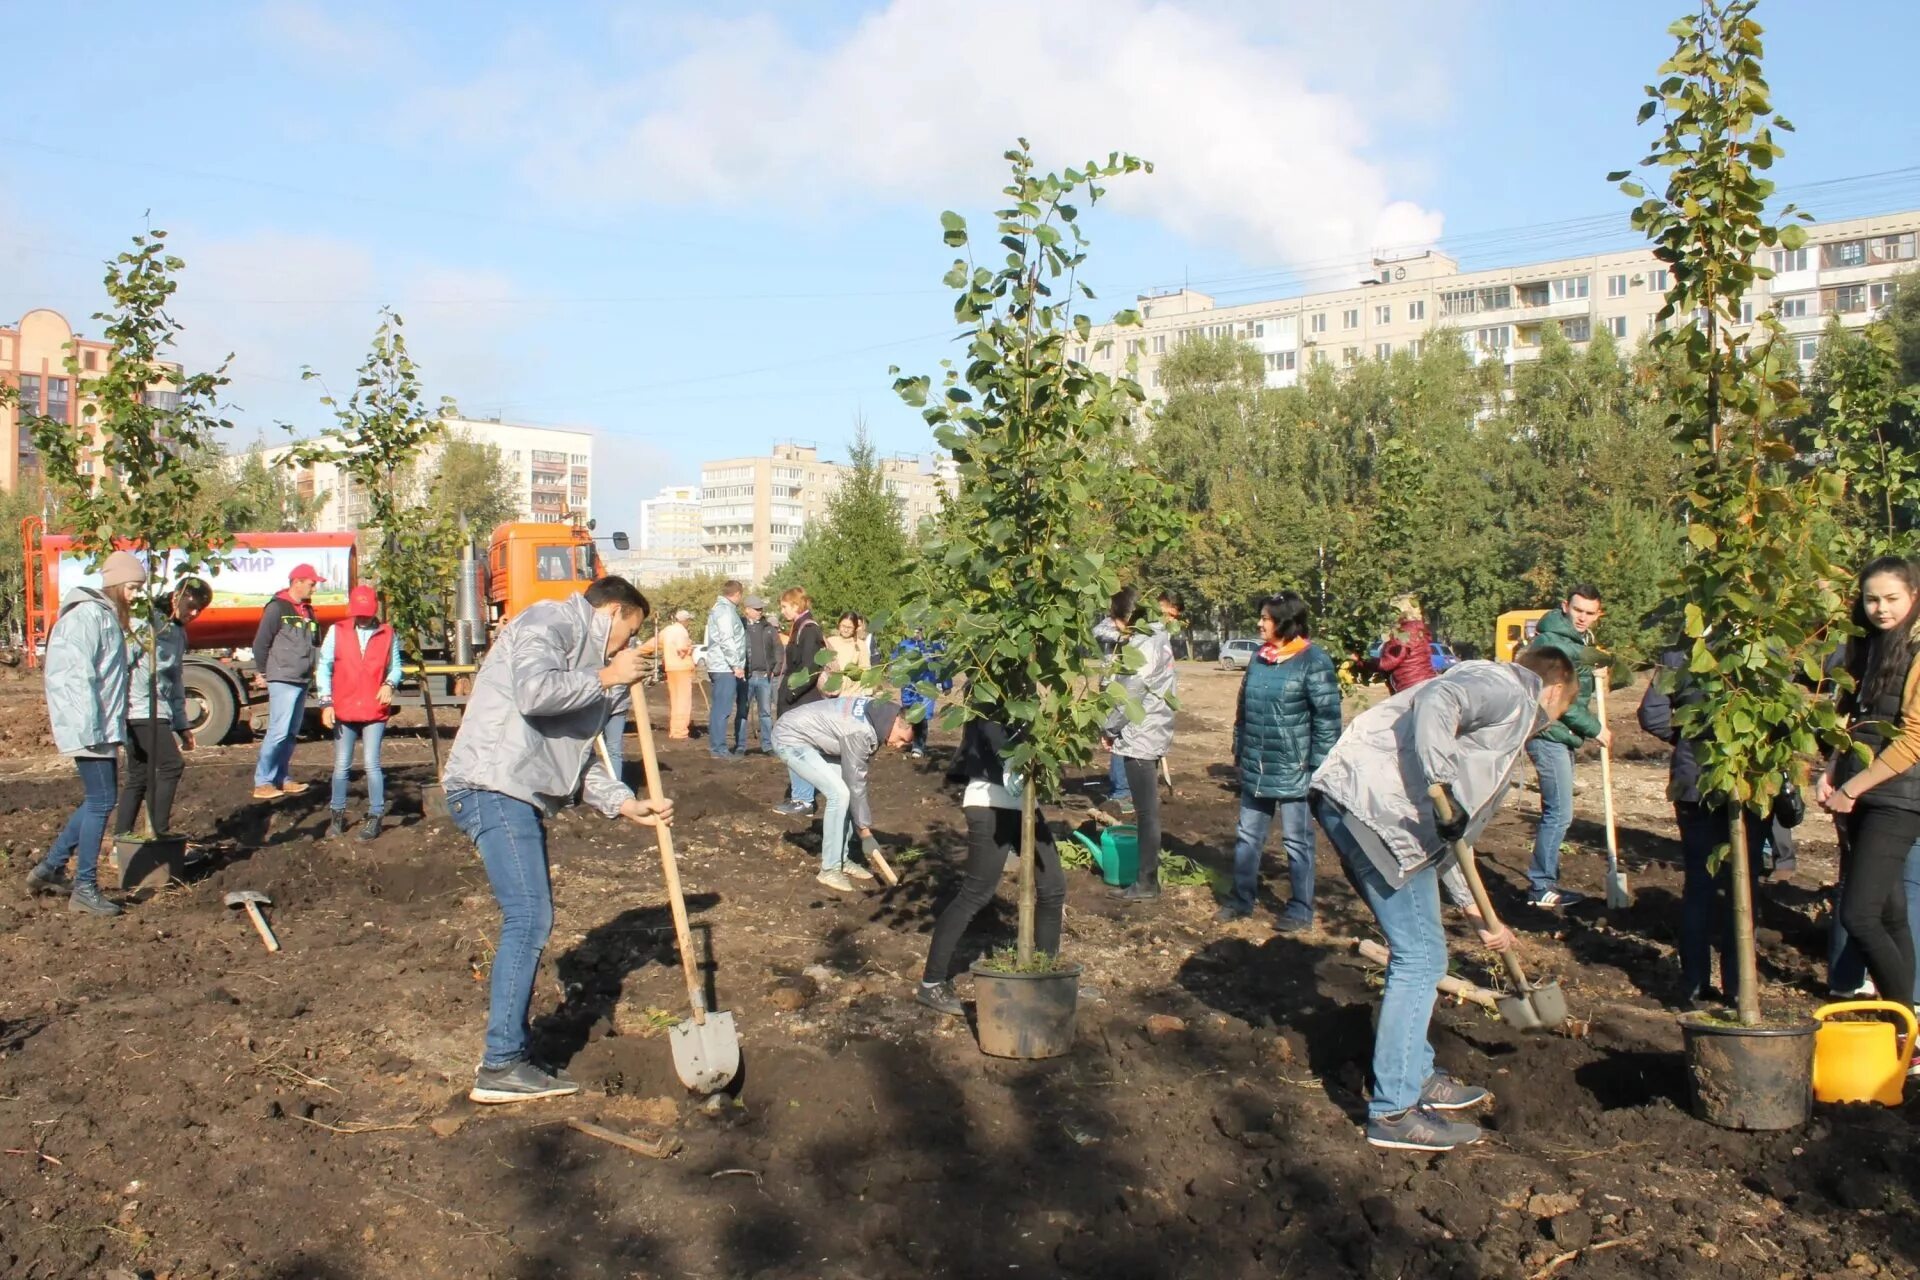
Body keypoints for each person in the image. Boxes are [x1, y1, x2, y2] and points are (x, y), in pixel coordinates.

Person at [1309, 649, 1575, 1151]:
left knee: (1426, 952)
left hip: (1377, 814)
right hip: (1375, 813)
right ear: (1556, 691)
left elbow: (1450, 840)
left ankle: (1418, 1074)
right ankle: (1392, 1112)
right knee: (1421, 958)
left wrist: (1481, 919)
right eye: (1560, 711)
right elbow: (1441, 695)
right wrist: (1440, 781)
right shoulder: (1508, 688)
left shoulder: (1501, 716)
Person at [442, 576, 674, 1104]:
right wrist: (606, 674)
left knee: (530, 914)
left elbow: (575, 752)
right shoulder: (549, 622)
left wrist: (623, 802)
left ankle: (509, 1056)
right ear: (612, 612)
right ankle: (500, 1064)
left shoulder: (586, 661)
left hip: (514, 788)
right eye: (628, 632)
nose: (625, 646)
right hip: (491, 783)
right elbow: (533, 692)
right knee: (528, 915)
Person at [1637, 642, 1768, 1006]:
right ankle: (1739, 988)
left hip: (1693, 783)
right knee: (1742, 886)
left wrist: (1688, 741)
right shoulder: (1765, 649)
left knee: (1699, 886)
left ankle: (1693, 984)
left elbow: (1653, 714)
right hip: (1748, 782)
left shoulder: (1677, 656)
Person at [1819, 556, 1920, 1014]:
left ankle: (1905, 1022)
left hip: (1898, 796)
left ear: (1913, 596)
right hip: (1862, 786)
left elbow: (1914, 739)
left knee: (1859, 914)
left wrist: (1854, 787)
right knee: (1890, 912)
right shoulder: (1868, 645)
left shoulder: (1918, 651)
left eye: (1891, 599)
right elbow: (1852, 716)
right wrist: (1830, 768)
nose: (1881, 608)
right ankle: (1909, 1020)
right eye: (1871, 598)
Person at [917, 717, 1065, 1015]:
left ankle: (1047, 975)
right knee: (977, 892)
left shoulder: (1028, 687)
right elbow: (989, 727)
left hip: (1025, 802)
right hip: (989, 801)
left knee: (1053, 886)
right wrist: (1015, 760)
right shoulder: (989, 680)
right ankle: (931, 984)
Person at [28, 550, 147, 916]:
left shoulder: (106, 616)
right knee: (102, 801)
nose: (136, 595)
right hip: (89, 725)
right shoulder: (86, 617)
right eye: (132, 587)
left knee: (99, 798)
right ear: (113, 584)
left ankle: (50, 868)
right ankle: (85, 888)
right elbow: (75, 677)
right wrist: (94, 727)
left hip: (99, 724)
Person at [1222, 592, 1342, 928]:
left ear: (1286, 621)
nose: (1260, 623)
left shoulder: (1313, 661)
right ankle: (1241, 899)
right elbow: (1243, 710)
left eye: (1266, 618)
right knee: (1247, 835)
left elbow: (1328, 720)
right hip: (1257, 766)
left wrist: (1317, 767)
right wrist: (1239, 750)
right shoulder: (1260, 659)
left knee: (1297, 841)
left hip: (1295, 770)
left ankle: (1301, 909)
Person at [1521, 585, 1610, 909]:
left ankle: (1545, 881)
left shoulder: (1579, 642)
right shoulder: (1550, 642)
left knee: (1559, 811)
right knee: (1559, 813)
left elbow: (1579, 684)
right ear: (1565, 606)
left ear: (1598, 614)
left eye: (1589, 612)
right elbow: (1556, 698)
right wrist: (1594, 727)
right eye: (1578, 610)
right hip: (1548, 733)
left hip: (1561, 735)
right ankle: (1541, 886)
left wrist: (1599, 668)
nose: (1583, 617)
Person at [770, 694, 915, 892]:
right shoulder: (860, 731)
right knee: (840, 794)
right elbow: (856, 783)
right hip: (791, 738)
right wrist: (865, 833)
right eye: (901, 740)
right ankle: (829, 870)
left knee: (845, 791)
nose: (898, 746)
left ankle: (841, 859)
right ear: (898, 722)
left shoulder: (879, 714)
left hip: (816, 737)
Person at [115, 577, 211, 843]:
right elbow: (120, 665)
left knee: (139, 775)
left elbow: (176, 679)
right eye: (191, 605)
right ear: (176, 596)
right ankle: (156, 833)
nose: (193, 613)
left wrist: (183, 724)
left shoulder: (179, 632)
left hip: (160, 709)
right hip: (139, 707)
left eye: (199, 610)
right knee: (171, 765)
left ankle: (121, 842)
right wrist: (114, 713)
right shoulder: (146, 623)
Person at [1102, 587, 1180, 903]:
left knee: (1146, 812)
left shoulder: (1145, 645)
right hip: (1151, 728)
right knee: (1147, 810)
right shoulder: (1157, 637)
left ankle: (1147, 883)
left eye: (1115, 617)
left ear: (1127, 618)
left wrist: (1108, 728)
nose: (1113, 623)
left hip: (1141, 734)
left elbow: (1129, 694)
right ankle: (1147, 880)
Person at [316, 584, 403, 841]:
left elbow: (396, 667)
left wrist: (389, 684)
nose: (362, 618)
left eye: (366, 613)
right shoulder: (337, 631)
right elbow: (324, 666)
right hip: (344, 708)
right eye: (358, 613)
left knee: (372, 764)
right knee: (341, 765)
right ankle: (337, 816)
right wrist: (326, 702)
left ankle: (375, 816)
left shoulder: (387, 633)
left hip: (374, 709)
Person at [252, 563, 326, 800]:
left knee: (291, 732)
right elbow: (260, 643)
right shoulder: (277, 609)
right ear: (297, 582)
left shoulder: (308, 610)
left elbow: (315, 642)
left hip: (302, 678)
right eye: (312, 584)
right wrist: (264, 672)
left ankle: (282, 778)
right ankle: (263, 781)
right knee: (279, 731)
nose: (314, 588)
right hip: (283, 677)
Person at [773, 588, 827, 816]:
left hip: (801, 700)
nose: (782, 610)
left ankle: (804, 800)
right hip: (797, 699)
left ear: (796, 606)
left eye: (785, 606)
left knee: (798, 747)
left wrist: (791, 693)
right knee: (794, 746)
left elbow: (810, 668)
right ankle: (800, 797)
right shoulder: (800, 627)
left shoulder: (809, 629)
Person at [703, 580, 748, 760]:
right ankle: (719, 749)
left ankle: (718, 747)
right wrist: (736, 665)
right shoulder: (725, 612)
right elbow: (727, 639)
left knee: (719, 709)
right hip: (724, 667)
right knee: (722, 709)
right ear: (737, 594)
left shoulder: (722, 609)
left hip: (722, 666)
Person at [639, 609, 696, 740]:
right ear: (685, 620)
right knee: (683, 702)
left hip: (670, 668)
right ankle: (680, 732)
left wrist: (637, 651)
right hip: (682, 669)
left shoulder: (667, 630)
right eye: (689, 620)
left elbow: (653, 643)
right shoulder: (682, 632)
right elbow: (682, 650)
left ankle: (675, 730)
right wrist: (689, 649)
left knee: (675, 700)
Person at [893, 630, 950, 759]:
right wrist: (895, 678)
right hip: (908, 686)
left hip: (926, 685)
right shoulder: (903, 645)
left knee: (922, 715)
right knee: (910, 714)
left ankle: (918, 746)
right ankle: (908, 738)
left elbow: (942, 664)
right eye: (913, 629)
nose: (916, 633)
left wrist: (946, 684)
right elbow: (894, 664)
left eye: (919, 630)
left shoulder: (932, 646)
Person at [741, 595, 781, 755]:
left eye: (761, 609)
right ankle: (740, 746)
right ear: (747, 610)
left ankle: (767, 746)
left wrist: (775, 669)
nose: (760, 611)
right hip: (746, 677)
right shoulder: (740, 628)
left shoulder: (768, 628)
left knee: (765, 713)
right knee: (743, 712)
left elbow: (778, 649)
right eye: (757, 609)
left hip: (764, 676)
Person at [1377, 602, 1439, 695]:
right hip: (1426, 682)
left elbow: (1388, 663)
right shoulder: (1419, 630)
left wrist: (1360, 661)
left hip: (1409, 686)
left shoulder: (1402, 633)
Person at [825, 613, 864, 683]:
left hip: (852, 691)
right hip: (831, 687)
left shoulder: (860, 645)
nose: (846, 630)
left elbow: (865, 669)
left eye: (849, 627)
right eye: (843, 626)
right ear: (839, 624)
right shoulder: (830, 641)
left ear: (855, 627)